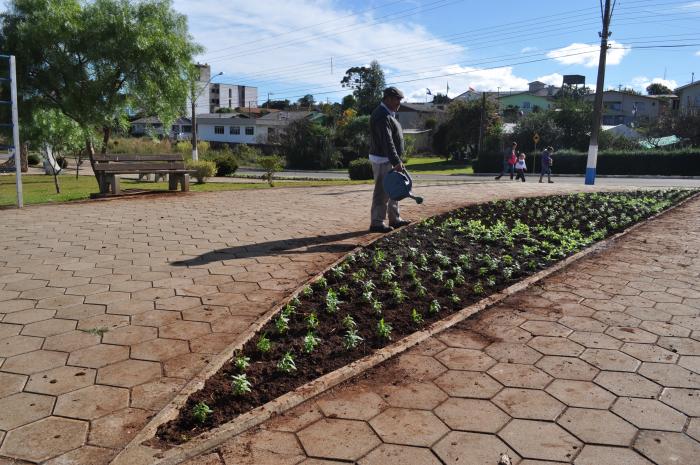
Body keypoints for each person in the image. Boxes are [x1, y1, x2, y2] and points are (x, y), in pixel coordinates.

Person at [368, 86, 410, 233]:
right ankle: (377, 223)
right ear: (389, 99)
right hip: (383, 160)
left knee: (395, 189)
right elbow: (387, 141)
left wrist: (396, 160)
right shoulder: (382, 116)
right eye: (397, 99)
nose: (399, 103)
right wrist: (396, 161)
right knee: (382, 191)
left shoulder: (388, 114)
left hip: (388, 159)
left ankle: (395, 219)